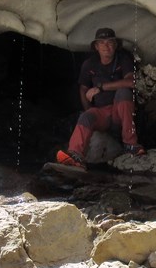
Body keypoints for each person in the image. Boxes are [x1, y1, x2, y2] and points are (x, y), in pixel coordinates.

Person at [56, 27, 146, 170]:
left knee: (124, 92)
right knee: (87, 116)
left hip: (119, 112)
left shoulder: (123, 59)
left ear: (115, 45)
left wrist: (101, 87)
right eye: (102, 43)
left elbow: (131, 82)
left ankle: (131, 144)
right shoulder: (89, 64)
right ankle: (75, 155)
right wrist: (89, 109)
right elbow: (83, 88)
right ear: (96, 47)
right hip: (101, 112)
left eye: (110, 42)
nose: (106, 46)